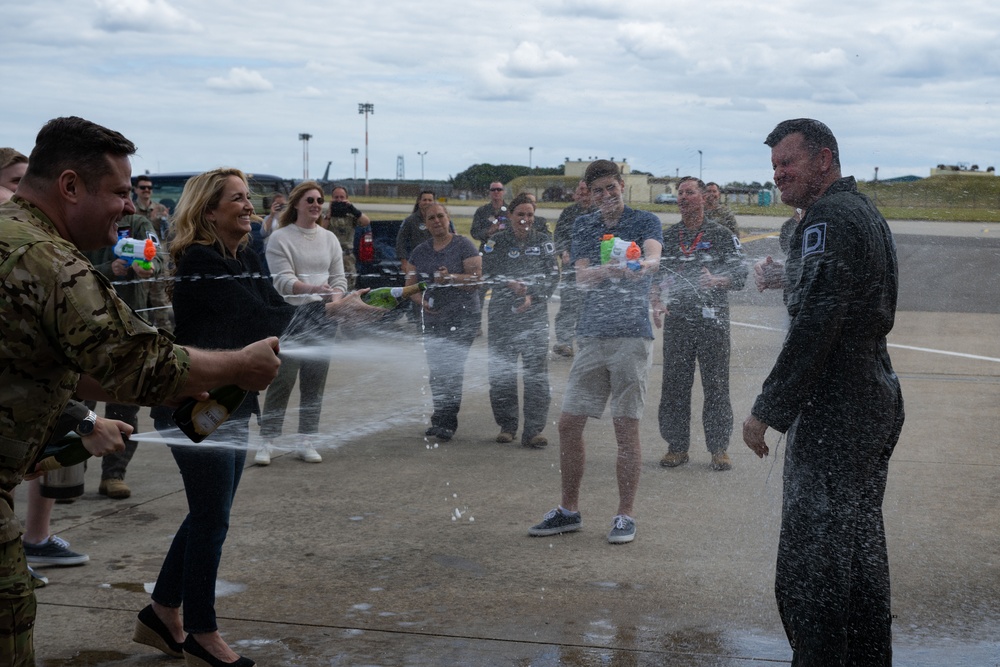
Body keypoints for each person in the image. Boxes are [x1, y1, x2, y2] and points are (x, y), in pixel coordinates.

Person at [0, 116, 281, 667]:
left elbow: (39, 358)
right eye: (120, 192)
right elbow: (138, 363)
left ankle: (167, 612)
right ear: (70, 186)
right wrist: (241, 366)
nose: (130, 207)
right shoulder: (48, 260)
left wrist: (80, 418)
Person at [138, 168, 379, 667]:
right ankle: (202, 633)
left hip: (230, 402)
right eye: (237, 200)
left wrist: (329, 304)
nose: (249, 207)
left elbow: (273, 304)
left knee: (209, 513)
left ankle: (163, 610)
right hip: (194, 402)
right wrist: (330, 312)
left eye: (249, 199)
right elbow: (259, 319)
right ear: (209, 210)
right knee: (212, 518)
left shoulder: (244, 253)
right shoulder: (200, 259)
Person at [743, 119, 905, 665]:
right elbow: (846, 288)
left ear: (825, 160)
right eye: (774, 167)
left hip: (840, 403)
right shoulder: (858, 212)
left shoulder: (830, 218)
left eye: (788, 163)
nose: (779, 174)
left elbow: (819, 319)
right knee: (856, 548)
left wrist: (769, 408)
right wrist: (792, 272)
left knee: (811, 565)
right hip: (870, 394)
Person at [528, 160, 662, 545]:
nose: (606, 196)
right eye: (598, 191)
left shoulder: (645, 220)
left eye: (611, 188)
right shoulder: (585, 225)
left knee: (625, 427)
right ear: (590, 193)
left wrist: (640, 265)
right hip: (591, 334)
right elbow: (582, 278)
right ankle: (569, 510)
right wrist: (614, 271)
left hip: (631, 336)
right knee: (569, 424)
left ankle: (625, 515)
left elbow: (654, 257)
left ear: (622, 186)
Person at [653, 177, 747, 472]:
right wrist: (656, 300)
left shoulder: (721, 234)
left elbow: (741, 275)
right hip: (678, 322)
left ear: (703, 198)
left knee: (716, 385)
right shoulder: (668, 236)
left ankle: (719, 449)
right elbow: (656, 276)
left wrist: (717, 280)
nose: (683, 198)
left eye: (689, 193)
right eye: (680, 193)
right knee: (674, 386)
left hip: (713, 322)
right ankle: (676, 447)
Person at [258, 181, 349, 465]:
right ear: (296, 203)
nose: (315, 204)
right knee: (282, 380)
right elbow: (282, 281)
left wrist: (335, 297)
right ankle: (267, 441)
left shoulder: (329, 238)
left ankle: (306, 439)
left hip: (323, 315)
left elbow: (339, 279)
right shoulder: (280, 238)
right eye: (309, 199)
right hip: (291, 315)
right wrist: (312, 289)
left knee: (314, 382)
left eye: (319, 200)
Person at [82, 196, 165, 499]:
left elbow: (157, 256)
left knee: (125, 406)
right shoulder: (81, 221)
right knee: (78, 407)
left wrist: (148, 267)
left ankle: (114, 474)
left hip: (128, 327)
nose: (124, 203)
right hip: (84, 327)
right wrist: (108, 267)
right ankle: (66, 475)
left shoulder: (138, 224)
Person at [481, 194, 559, 448]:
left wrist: (533, 296)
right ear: (510, 216)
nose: (525, 219)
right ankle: (507, 425)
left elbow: (553, 276)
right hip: (502, 316)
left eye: (530, 215)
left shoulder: (544, 242)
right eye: (520, 214)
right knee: (502, 373)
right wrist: (508, 284)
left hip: (534, 317)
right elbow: (487, 274)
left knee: (536, 375)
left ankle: (534, 430)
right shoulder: (496, 241)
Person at [405, 203, 482, 441]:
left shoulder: (464, 245)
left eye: (440, 216)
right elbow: (410, 285)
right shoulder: (419, 251)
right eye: (431, 218)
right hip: (433, 318)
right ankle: (440, 416)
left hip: (463, 316)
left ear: (449, 218)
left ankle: (447, 422)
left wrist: (451, 277)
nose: (436, 221)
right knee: (437, 369)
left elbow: (477, 280)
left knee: (451, 367)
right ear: (425, 223)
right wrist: (422, 301)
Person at [551, 180, 591, 357]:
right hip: (570, 268)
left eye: (586, 190)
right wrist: (563, 251)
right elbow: (559, 234)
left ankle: (586, 343)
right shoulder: (569, 212)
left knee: (588, 306)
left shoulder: (600, 213)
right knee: (568, 304)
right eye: (580, 190)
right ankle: (564, 342)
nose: (582, 193)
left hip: (593, 269)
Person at [324, 186, 370, 289]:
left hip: (347, 256)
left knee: (349, 285)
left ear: (347, 198)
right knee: (330, 285)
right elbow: (321, 229)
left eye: (342, 197)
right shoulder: (327, 216)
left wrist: (353, 209)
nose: (339, 200)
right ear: (331, 199)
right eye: (336, 197)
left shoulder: (351, 215)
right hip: (330, 256)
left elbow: (366, 221)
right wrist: (329, 213)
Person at [396, 190, 438, 276]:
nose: (427, 202)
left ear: (434, 202)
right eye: (424, 200)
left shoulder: (440, 220)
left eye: (430, 200)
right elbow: (401, 241)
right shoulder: (410, 220)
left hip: (438, 260)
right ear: (419, 202)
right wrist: (404, 263)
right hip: (418, 262)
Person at [470, 181, 508, 250]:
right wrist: (488, 231)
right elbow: (474, 233)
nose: (496, 192)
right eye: (493, 190)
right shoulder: (482, 211)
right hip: (487, 248)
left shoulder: (511, 211)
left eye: (499, 189)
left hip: (506, 248)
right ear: (489, 192)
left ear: (504, 192)